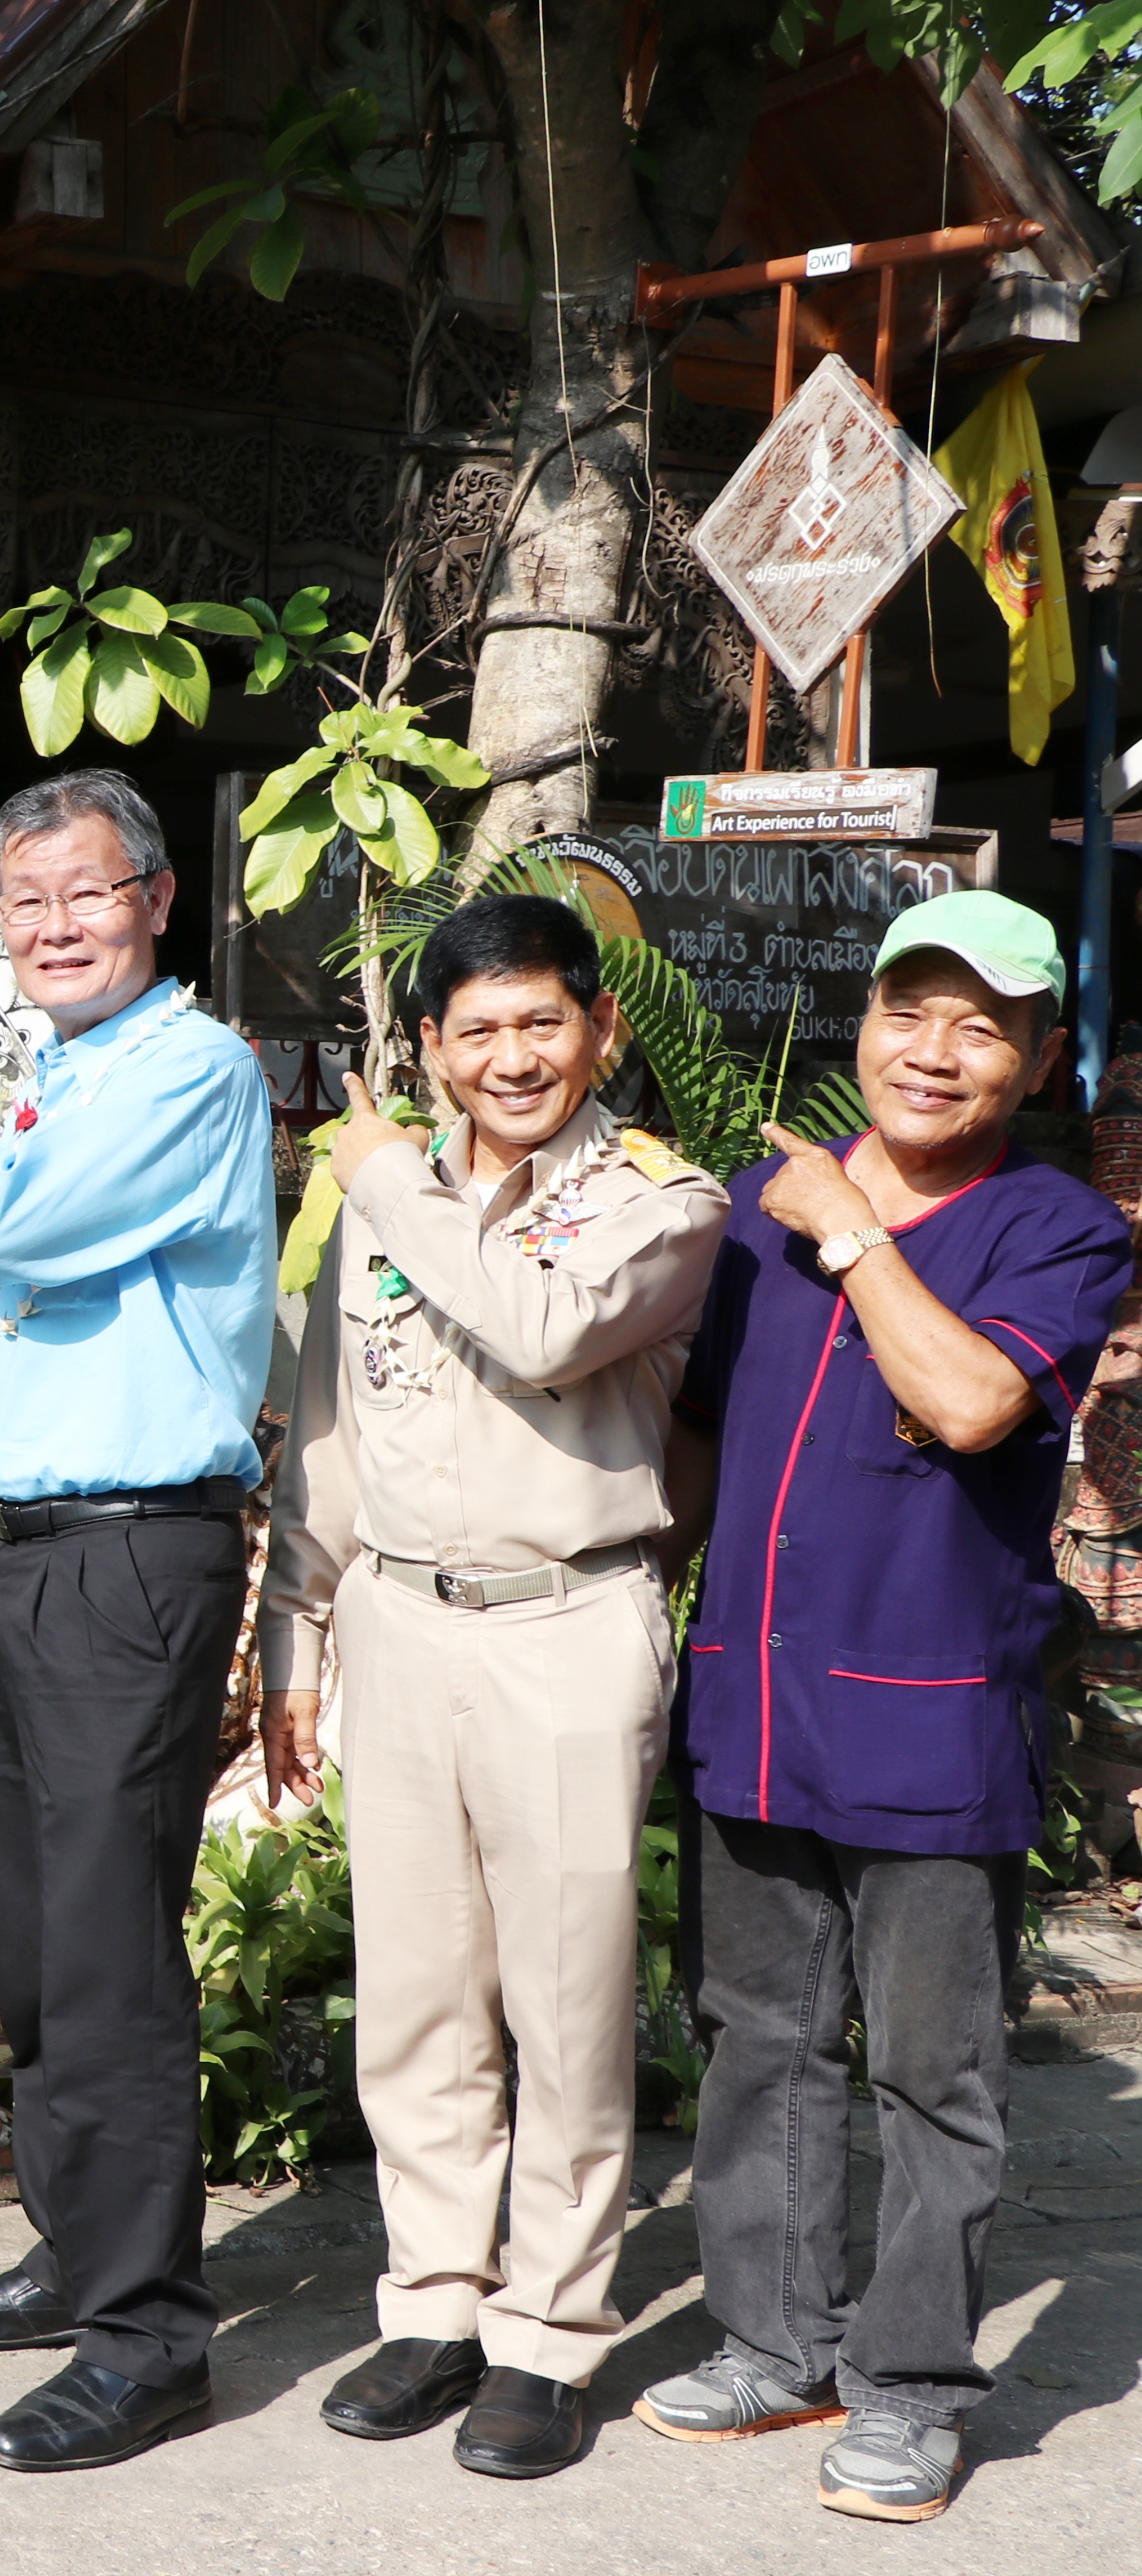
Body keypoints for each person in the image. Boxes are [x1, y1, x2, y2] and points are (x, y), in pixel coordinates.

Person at [641, 891, 1132, 2522]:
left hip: (927, 1717)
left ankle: (913, 2385)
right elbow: (697, 1437)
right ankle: (773, 2343)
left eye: (981, 1023)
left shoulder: (1055, 1229)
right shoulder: (749, 1217)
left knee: (935, 2074)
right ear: (863, 1021)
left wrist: (849, 1232)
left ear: (1041, 1055)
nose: (933, 1050)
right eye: (909, 1010)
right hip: (755, 1705)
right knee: (758, 2043)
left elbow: (975, 1399)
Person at [0, 766, 274, 2473]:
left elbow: (8, 1230)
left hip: (131, 1555)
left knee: (103, 1952)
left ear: (157, 901)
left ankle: (148, 2335)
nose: (56, 928)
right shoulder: (68, 1075)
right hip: (32, 1550)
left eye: (88, 895)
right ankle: (82, 2255)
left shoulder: (188, 1068)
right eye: (26, 904)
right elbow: (19, 1330)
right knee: (37, 1941)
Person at [258, 894, 725, 2477]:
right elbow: (327, 1434)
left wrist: (379, 1164)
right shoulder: (393, 1203)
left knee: (568, 2004)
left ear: (598, 1029)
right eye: (477, 1030)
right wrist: (294, 1638)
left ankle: (548, 2331)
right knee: (415, 1999)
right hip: (398, 1624)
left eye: (541, 1022)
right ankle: (435, 2303)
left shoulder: (659, 1203)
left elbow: (531, 1329)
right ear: (436, 1051)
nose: (512, 1056)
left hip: (568, 1626)